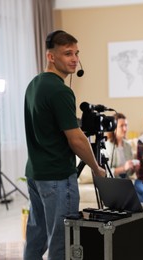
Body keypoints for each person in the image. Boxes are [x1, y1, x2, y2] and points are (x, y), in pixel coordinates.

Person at [23, 30, 105, 260]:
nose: (74, 59)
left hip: (36, 173)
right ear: (51, 57)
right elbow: (76, 139)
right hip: (58, 177)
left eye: (76, 53)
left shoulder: (34, 84)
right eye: (67, 53)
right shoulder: (61, 90)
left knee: (36, 238)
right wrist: (96, 168)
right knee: (62, 241)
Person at [105, 112, 139, 179]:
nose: (125, 129)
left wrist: (134, 168)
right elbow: (106, 172)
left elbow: (129, 173)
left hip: (126, 180)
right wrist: (123, 168)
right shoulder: (106, 146)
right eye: (121, 126)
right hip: (113, 181)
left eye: (126, 125)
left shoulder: (128, 146)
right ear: (114, 128)